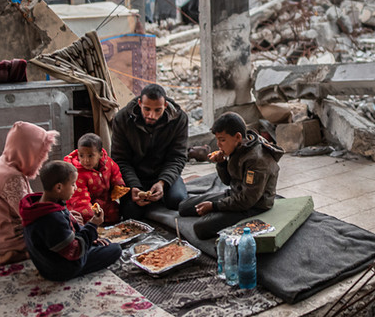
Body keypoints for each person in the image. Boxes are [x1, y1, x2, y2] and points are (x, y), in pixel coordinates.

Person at [179, 112, 284, 240]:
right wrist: (222, 163)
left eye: (222, 140)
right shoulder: (238, 147)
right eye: (217, 140)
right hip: (235, 194)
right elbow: (228, 181)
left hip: (253, 205)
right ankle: (217, 212)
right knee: (184, 207)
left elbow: (247, 200)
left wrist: (215, 206)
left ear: (238, 137)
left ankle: (219, 215)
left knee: (200, 229)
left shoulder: (257, 160)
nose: (218, 145)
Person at [19, 161, 121, 282]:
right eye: (73, 184)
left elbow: (65, 232)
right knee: (115, 249)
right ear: (58, 187)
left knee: (102, 242)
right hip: (59, 269)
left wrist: (88, 235)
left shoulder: (41, 205)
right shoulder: (51, 218)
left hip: (47, 261)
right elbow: (75, 252)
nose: (76, 188)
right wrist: (93, 225)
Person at [0, 121, 59, 266]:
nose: (44, 157)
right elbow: (31, 216)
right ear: (28, 150)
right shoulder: (11, 177)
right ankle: (21, 253)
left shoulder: (4, 163)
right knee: (64, 235)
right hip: (13, 239)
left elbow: (28, 201)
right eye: (41, 152)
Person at [111, 84, 189, 219]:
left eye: (158, 110)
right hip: (136, 175)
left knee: (178, 201)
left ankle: (161, 192)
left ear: (165, 106)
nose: (152, 115)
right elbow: (120, 159)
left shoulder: (179, 119)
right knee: (131, 213)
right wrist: (134, 185)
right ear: (140, 103)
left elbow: (177, 157)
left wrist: (163, 182)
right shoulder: (122, 119)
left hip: (163, 171)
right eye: (146, 109)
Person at [63, 133, 127, 224]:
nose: (85, 160)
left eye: (90, 156)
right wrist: (92, 215)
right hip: (83, 204)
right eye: (81, 156)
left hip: (105, 199)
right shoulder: (77, 174)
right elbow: (80, 199)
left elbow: (115, 173)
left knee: (116, 214)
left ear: (100, 154)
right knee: (85, 219)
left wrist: (118, 186)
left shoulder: (108, 163)